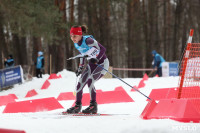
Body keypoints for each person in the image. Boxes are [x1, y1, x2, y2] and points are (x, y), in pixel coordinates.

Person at [64, 25, 109, 114]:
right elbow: (83, 54)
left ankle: (93, 106)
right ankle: (77, 106)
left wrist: (97, 58)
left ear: (80, 35)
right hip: (91, 65)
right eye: (71, 36)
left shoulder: (88, 41)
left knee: (90, 82)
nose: (73, 38)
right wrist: (80, 67)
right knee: (80, 83)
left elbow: (103, 49)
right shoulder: (76, 43)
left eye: (75, 36)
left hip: (102, 64)